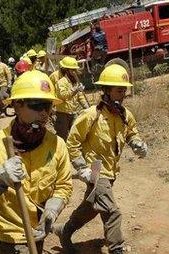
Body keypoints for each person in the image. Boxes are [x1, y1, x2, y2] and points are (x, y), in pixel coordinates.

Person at [0, 70, 73, 254]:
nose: (44, 112)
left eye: (49, 105)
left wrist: (51, 212)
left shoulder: (56, 144)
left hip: (38, 232)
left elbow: (63, 185)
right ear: (17, 105)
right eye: (37, 105)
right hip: (7, 238)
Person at [53, 64, 148, 254]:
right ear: (106, 90)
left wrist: (137, 143)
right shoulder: (91, 115)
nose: (123, 94)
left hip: (111, 172)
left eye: (124, 90)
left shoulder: (125, 115)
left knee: (91, 209)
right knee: (112, 212)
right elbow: (72, 142)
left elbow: (131, 134)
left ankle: (65, 230)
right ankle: (117, 248)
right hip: (96, 173)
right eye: (119, 90)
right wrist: (81, 167)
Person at [54, 56, 89, 140]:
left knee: (75, 134)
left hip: (73, 112)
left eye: (75, 70)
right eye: (72, 70)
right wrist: (75, 91)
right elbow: (63, 96)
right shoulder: (61, 82)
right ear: (66, 70)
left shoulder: (75, 82)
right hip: (63, 114)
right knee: (62, 136)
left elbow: (80, 96)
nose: (74, 72)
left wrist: (86, 107)